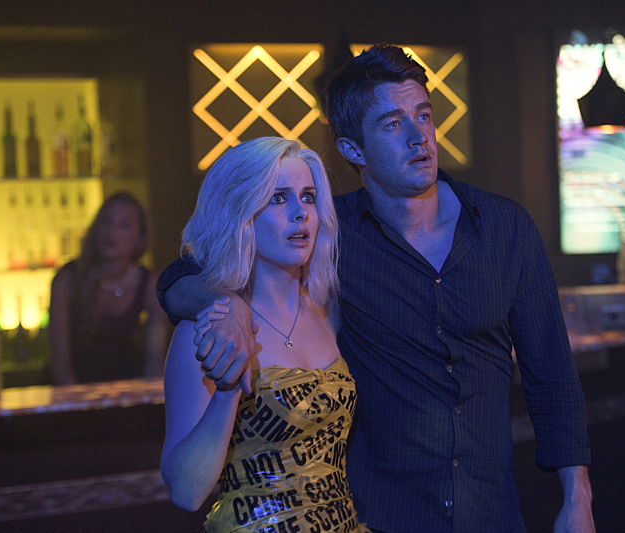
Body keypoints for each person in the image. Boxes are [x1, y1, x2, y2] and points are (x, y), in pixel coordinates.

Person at [159, 45, 594, 532]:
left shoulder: (504, 229)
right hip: (385, 518)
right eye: (392, 124)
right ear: (352, 150)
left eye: (423, 115)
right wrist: (226, 303)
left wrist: (578, 499)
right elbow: (181, 275)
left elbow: (552, 374)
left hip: (489, 513)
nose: (418, 136)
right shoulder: (334, 238)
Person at [159, 137, 370, 533]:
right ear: (240, 214)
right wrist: (227, 391)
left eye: (308, 198)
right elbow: (186, 492)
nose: (300, 213)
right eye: (277, 199)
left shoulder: (328, 309)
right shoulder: (209, 325)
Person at [49, 191, 169, 384]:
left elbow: (155, 361)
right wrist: (79, 400)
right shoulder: (66, 280)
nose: (111, 230)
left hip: (129, 384)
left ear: (140, 237)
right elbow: (60, 363)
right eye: (106, 221)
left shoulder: (148, 284)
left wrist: (148, 398)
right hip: (76, 385)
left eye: (124, 224)